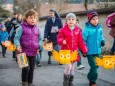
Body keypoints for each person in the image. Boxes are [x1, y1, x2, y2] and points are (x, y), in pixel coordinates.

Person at [57, 13, 87, 86]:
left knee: (72, 68)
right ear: (66, 21)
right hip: (66, 52)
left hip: (74, 52)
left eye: (73, 19)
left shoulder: (78, 30)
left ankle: (70, 83)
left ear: (75, 21)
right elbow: (58, 38)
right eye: (69, 19)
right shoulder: (63, 30)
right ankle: (65, 83)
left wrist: (84, 50)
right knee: (68, 66)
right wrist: (62, 40)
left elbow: (80, 42)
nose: (71, 21)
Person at [14, 9, 42, 86]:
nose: (33, 19)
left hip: (33, 52)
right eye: (31, 18)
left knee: (32, 68)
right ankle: (24, 82)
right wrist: (18, 45)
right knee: (26, 68)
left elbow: (40, 39)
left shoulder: (37, 29)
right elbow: (16, 38)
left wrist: (39, 45)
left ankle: (30, 82)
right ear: (26, 18)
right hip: (23, 52)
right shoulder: (21, 28)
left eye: (34, 18)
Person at [82, 10, 105, 86]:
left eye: (96, 18)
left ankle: (89, 76)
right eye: (93, 19)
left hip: (97, 51)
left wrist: (102, 40)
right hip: (89, 52)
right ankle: (92, 81)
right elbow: (83, 40)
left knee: (97, 66)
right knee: (94, 67)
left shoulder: (99, 28)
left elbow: (101, 36)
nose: (95, 21)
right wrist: (83, 51)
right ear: (89, 20)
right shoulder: (86, 30)